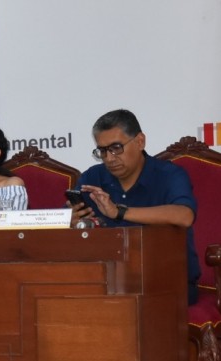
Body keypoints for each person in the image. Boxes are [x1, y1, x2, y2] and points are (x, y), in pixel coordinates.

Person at [69, 109, 198, 304]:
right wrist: (70, 221)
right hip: (106, 284)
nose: (109, 158)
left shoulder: (169, 175)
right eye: (102, 151)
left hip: (166, 284)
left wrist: (119, 212)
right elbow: (70, 221)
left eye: (116, 148)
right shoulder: (93, 177)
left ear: (140, 141)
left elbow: (184, 215)